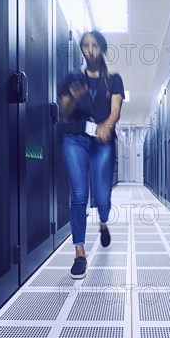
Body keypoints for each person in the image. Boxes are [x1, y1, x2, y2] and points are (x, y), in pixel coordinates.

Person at [58, 30, 125, 279]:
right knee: (78, 195)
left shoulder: (114, 80)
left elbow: (116, 110)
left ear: (102, 48)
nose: (89, 49)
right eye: (85, 45)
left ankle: (104, 222)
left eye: (94, 45)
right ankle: (79, 253)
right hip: (75, 140)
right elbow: (64, 111)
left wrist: (107, 125)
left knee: (102, 196)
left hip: (102, 142)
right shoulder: (73, 78)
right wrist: (73, 100)